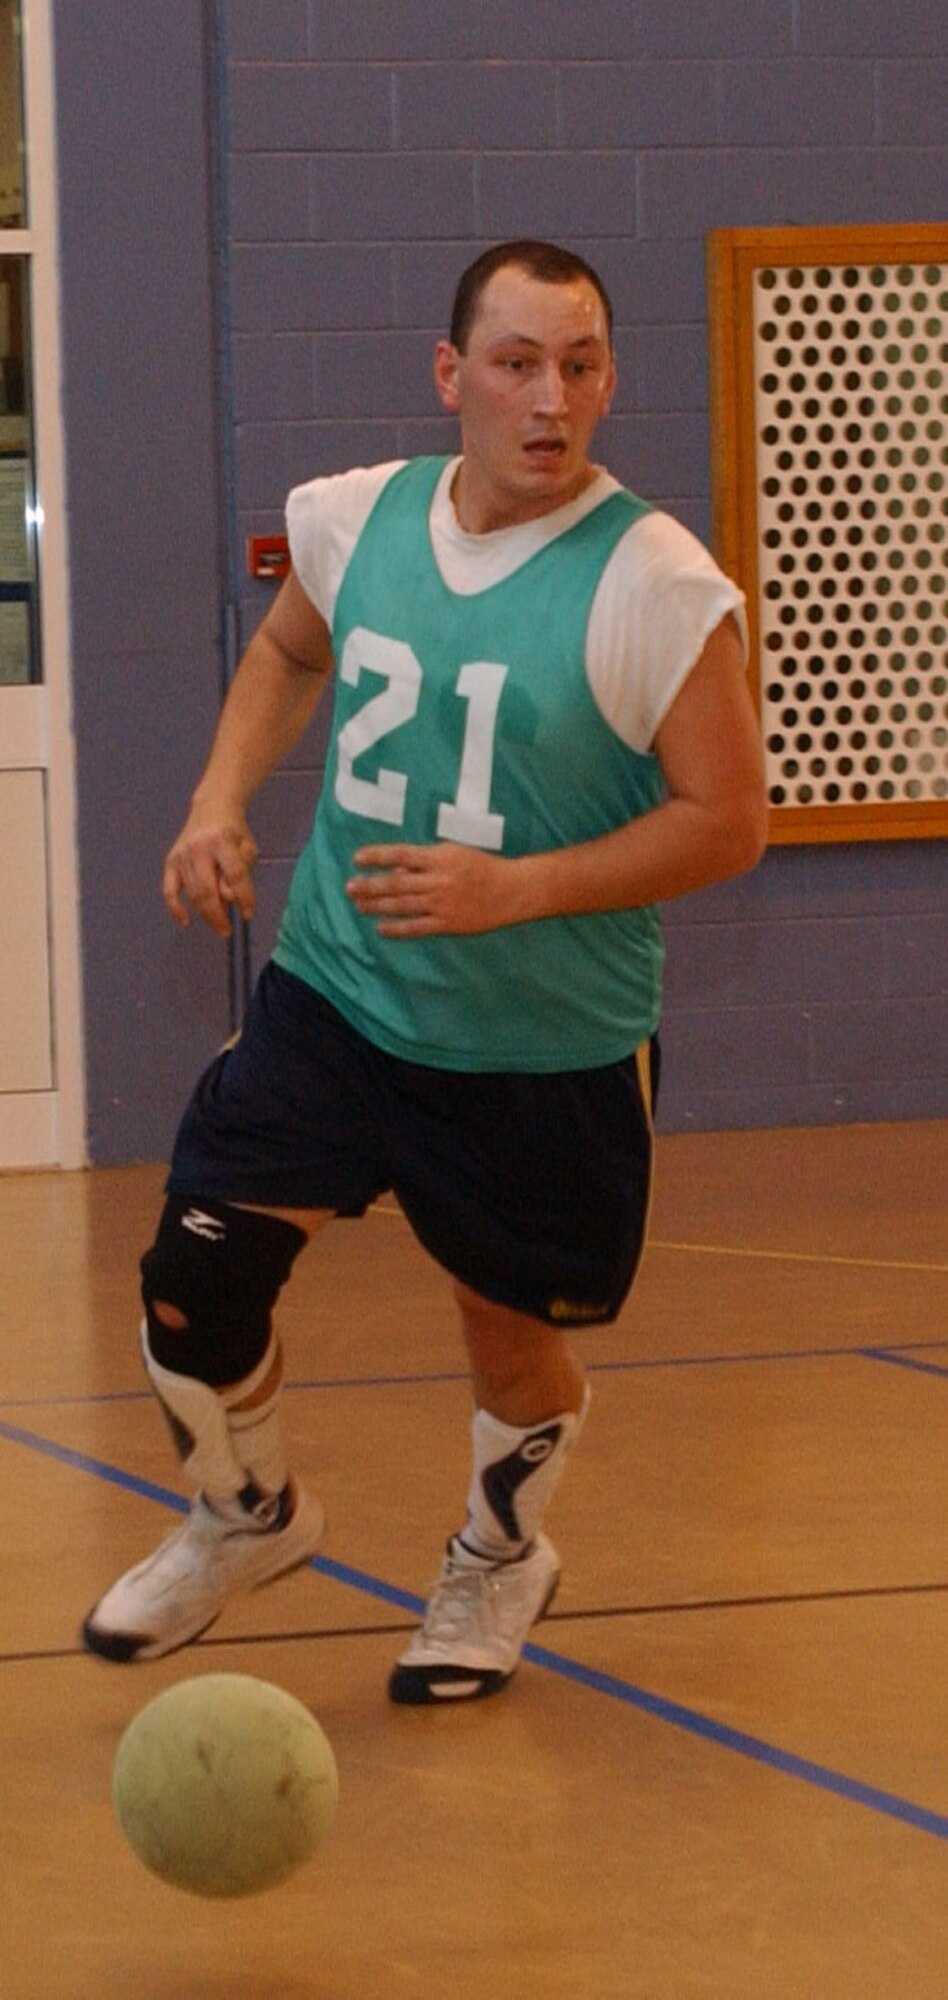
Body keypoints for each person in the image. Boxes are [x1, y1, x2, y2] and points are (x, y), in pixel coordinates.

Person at [82, 239, 767, 1703]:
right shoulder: (358, 519)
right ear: (451, 374)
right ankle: (243, 1516)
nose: (552, 398)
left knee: (505, 1340)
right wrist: (219, 802)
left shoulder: (654, 581)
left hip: (541, 1048)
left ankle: (497, 1557)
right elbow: (285, 651)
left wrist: (516, 887)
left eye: (580, 366)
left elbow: (729, 824)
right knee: (191, 1288)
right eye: (517, 363)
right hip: (339, 998)